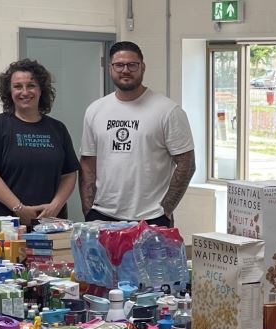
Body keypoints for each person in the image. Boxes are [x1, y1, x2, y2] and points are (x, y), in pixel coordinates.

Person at [79, 42, 196, 227]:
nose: (125, 70)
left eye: (132, 65)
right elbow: (87, 162)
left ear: (142, 67)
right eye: (119, 65)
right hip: (102, 215)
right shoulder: (95, 110)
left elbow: (187, 163)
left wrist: (166, 209)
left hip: (151, 217)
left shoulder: (168, 111)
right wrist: (88, 209)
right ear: (110, 68)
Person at [0, 59, 80, 225]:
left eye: (31, 85)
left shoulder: (57, 129)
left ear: (41, 90)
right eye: (17, 86)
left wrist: (54, 206)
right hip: (3, 221)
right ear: (9, 91)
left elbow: (69, 174)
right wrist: (20, 209)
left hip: (49, 221)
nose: (24, 92)